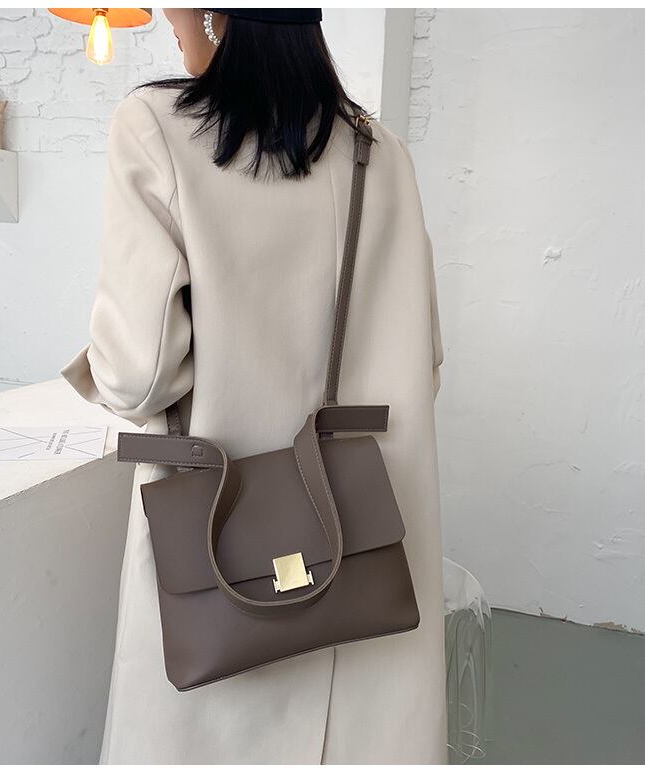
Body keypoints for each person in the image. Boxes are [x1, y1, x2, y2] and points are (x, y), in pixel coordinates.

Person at [60, 7, 446, 765]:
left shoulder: (158, 127)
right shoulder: (384, 154)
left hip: (219, 559)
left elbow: (135, 375)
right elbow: (423, 361)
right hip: (366, 562)